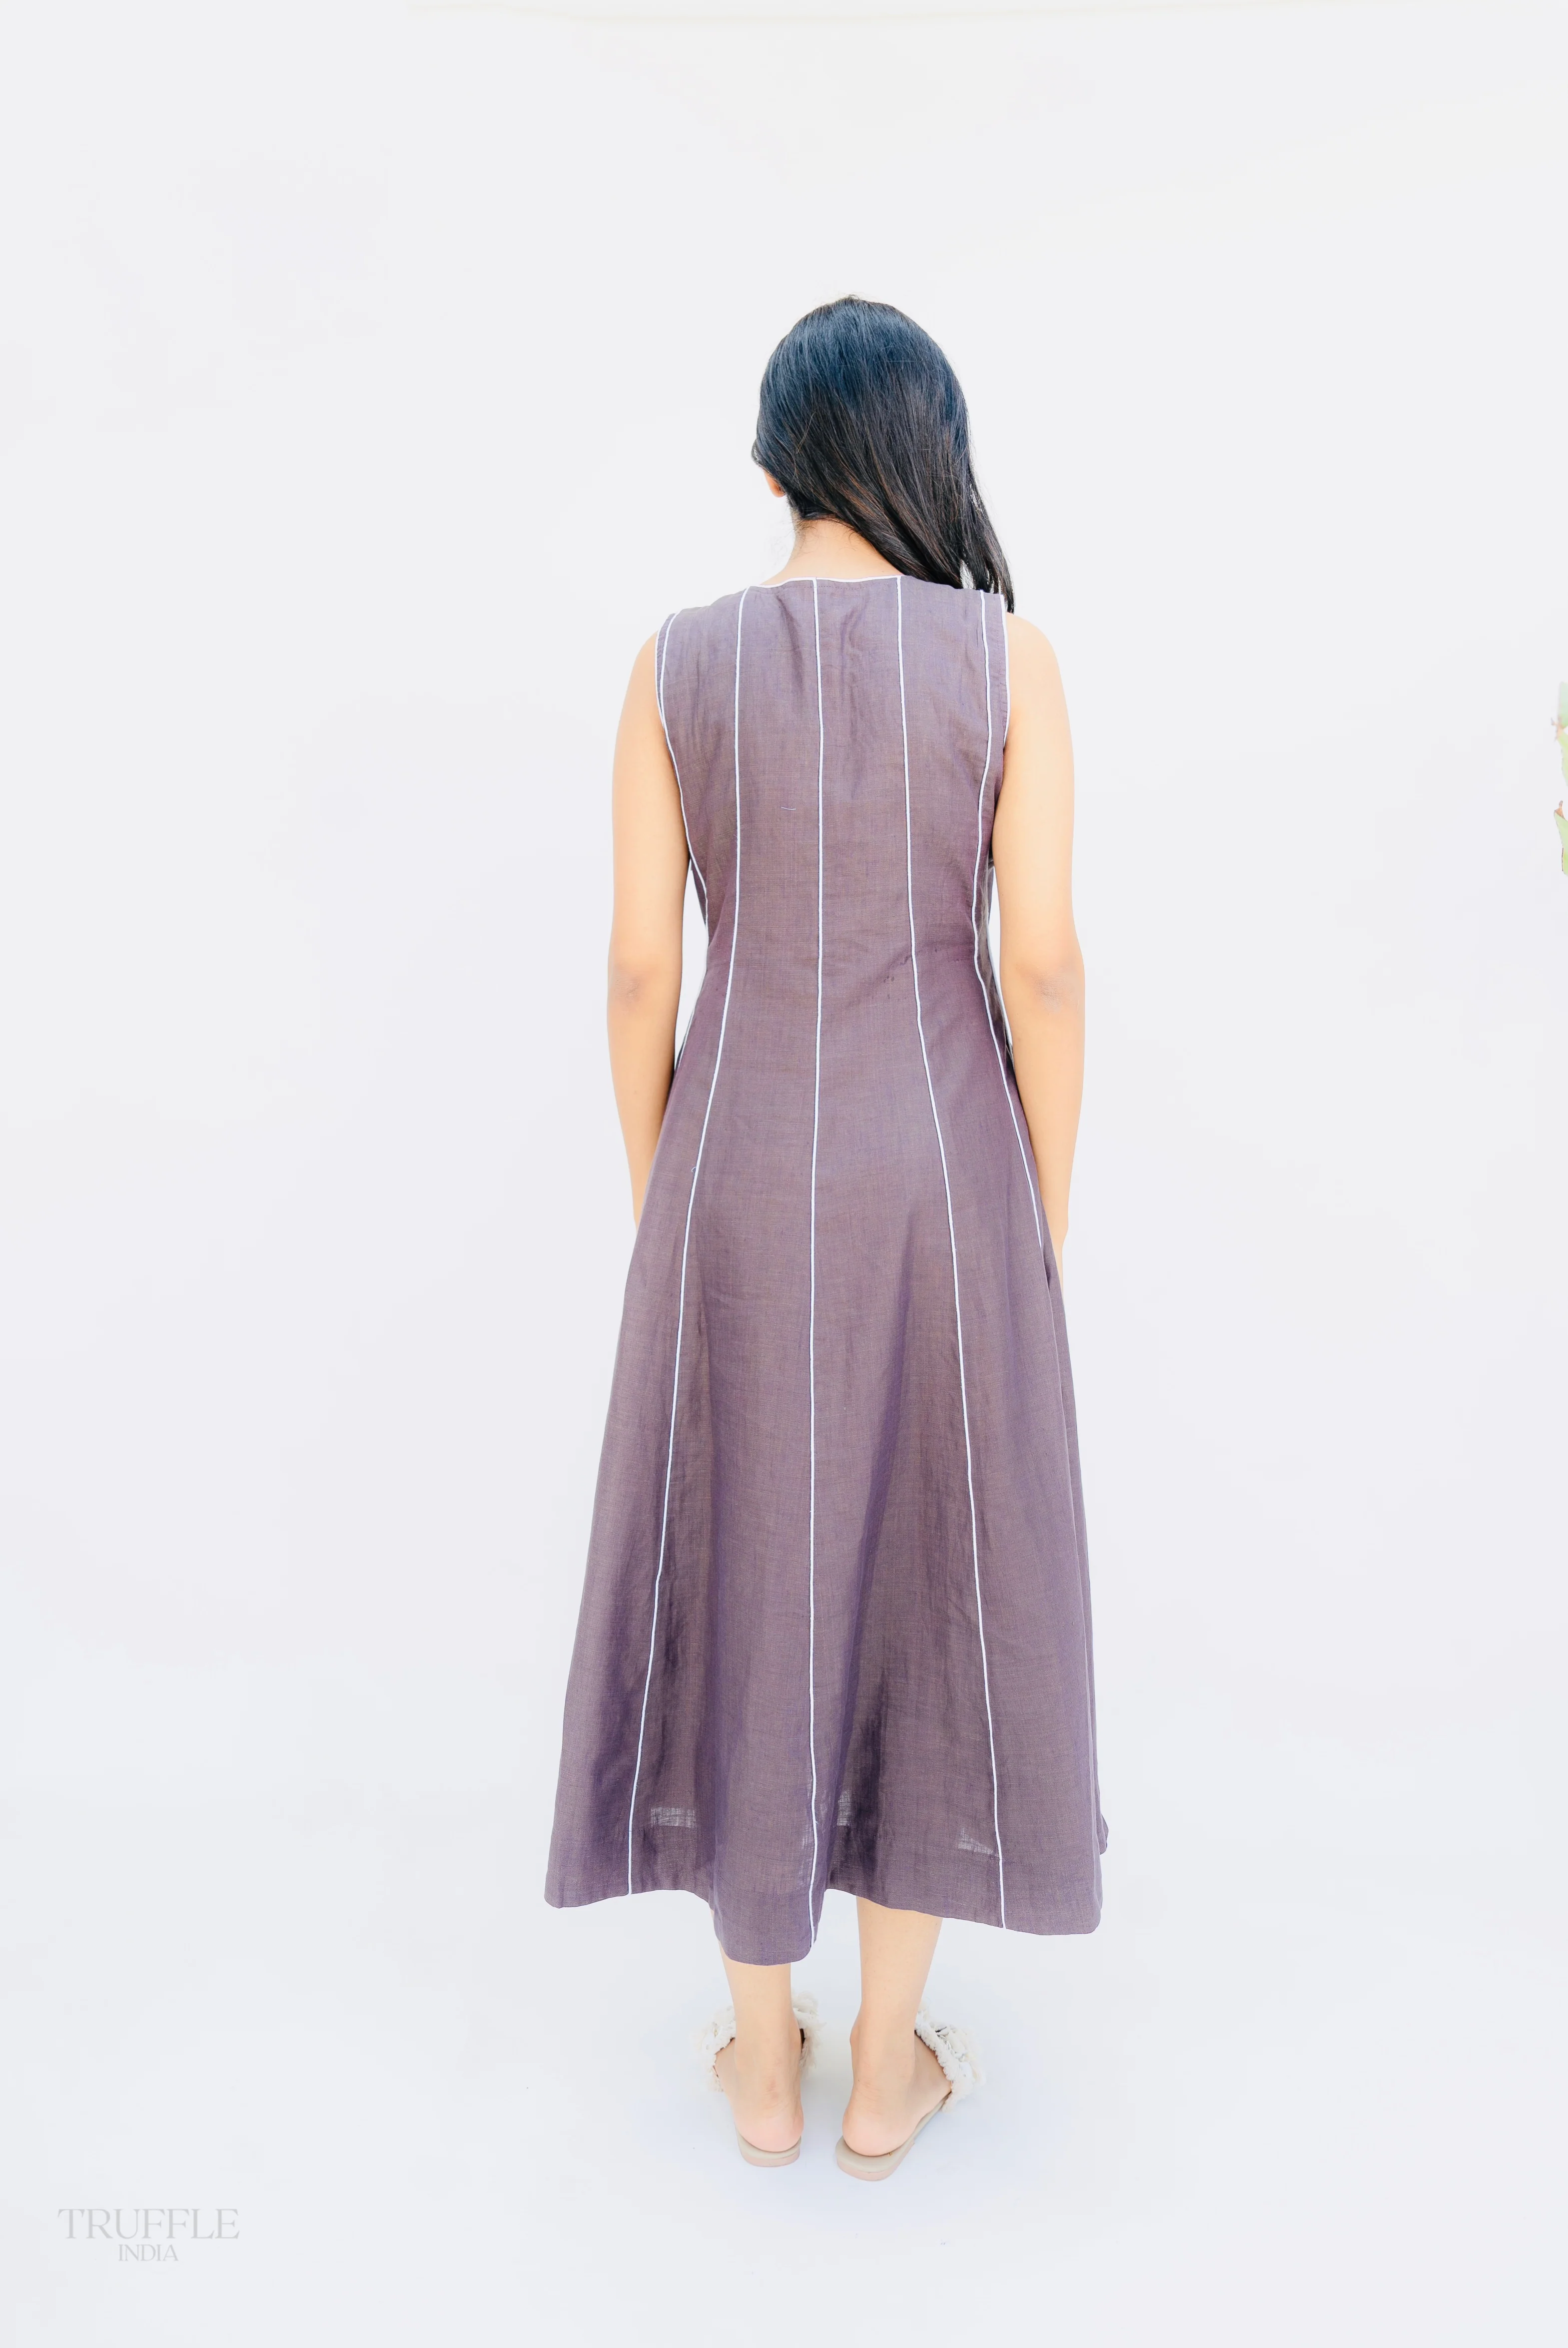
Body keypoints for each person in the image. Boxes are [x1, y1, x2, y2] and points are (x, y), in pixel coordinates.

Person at [546, 297, 1106, 2179]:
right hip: (945, 1170)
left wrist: (672, 1197)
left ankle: (758, 2057)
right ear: (928, 457)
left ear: (776, 463)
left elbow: (641, 973)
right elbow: (1042, 964)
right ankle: (884, 2070)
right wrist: (1035, 1216)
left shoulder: (674, 665)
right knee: (928, 1579)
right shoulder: (1008, 659)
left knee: (749, 1561)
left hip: (731, 1169)